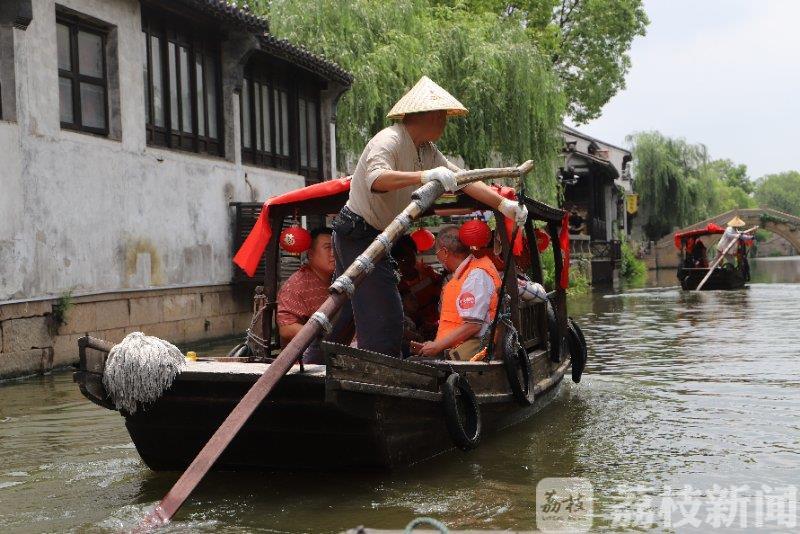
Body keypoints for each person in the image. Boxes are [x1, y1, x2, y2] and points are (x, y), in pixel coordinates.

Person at [330, 76, 528, 358]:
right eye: (443, 117)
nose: (445, 123)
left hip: (378, 235)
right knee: (384, 312)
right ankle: (379, 372)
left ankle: (317, 360)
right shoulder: (389, 139)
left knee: (348, 308)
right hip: (358, 231)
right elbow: (377, 178)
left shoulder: (426, 150)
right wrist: (423, 176)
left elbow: (462, 180)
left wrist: (503, 204)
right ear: (432, 115)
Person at [417, 226, 501, 360]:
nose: (437, 257)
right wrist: (436, 344)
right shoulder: (465, 274)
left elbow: (473, 325)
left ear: (445, 252)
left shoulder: (475, 276)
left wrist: (437, 346)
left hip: (477, 346)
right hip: (461, 343)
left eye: (437, 252)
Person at [276, 228, 335, 364]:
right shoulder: (296, 285)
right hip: (307, 361)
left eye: (335, 248)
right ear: (311, 254)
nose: (334, 253)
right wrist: (323, 336)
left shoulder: (339, 278)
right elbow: (286, 328)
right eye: (328, 248)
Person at [392, 235, 442, 340]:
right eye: (402, 258)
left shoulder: (428, 272)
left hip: (441, 323)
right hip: (418, 332)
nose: (407, 260)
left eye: (410, 255)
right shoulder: (396, 285)